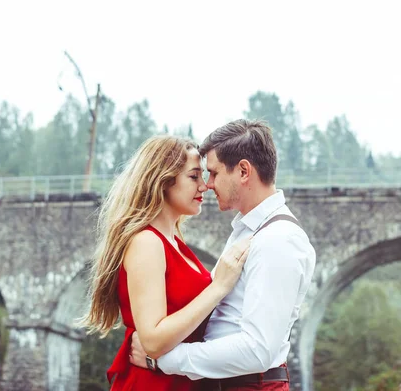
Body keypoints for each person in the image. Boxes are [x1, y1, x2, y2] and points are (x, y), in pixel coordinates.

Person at [129, 119, 317, 390]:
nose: (208, 184)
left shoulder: (278, 240)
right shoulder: (250, 230)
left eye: (214, 173)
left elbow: (257, 350)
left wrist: (166, 360)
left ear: (243, 171)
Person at [79, 135, 250, 391]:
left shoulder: (175, 243)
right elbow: (154, 341)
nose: (204, 186)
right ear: (163, 181)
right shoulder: (147, 242)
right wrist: (218, 288)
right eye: (194, 177)